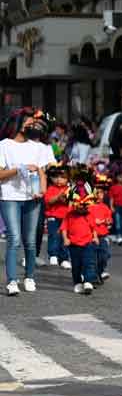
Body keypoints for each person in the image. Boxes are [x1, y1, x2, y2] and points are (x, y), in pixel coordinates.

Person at [0, 110, 55, 295]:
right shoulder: (4, 146)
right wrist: (19, 169)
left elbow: (42, 173)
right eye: (29, 123)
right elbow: (0, 174)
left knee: (30, 241)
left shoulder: (37, 147)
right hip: (10, 197)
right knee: (14, 238)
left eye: (34, 123)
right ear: (18, 124)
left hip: (33, 198)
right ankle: (12, 281)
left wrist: (43, 190)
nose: (32, 126)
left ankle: (30, 276)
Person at [61, 180, 102, 295]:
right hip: (74, 245)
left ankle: (88, 281)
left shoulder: (89, 215)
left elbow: (93, 227)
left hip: (87, 243)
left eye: (85, 206)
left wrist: (95, 237)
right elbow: (64, 228)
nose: (82, 208)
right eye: (80, 205)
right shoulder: (69, 215)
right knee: (76, 265)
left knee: (89, 262)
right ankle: (77, 282)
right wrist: (65, 239)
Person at [43, 165, 71, 269]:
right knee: (54, 235)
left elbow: (72, 202)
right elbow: (48, 201)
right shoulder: (51, 188)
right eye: (56, 177)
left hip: (66, 217)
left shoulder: (70, 189)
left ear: (68, 179)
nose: (59, 180)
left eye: (63, 177)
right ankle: (53, 254)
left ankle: (64, 258)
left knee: (65, 237)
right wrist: (58, 197)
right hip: (53, 216)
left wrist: (66, 200)